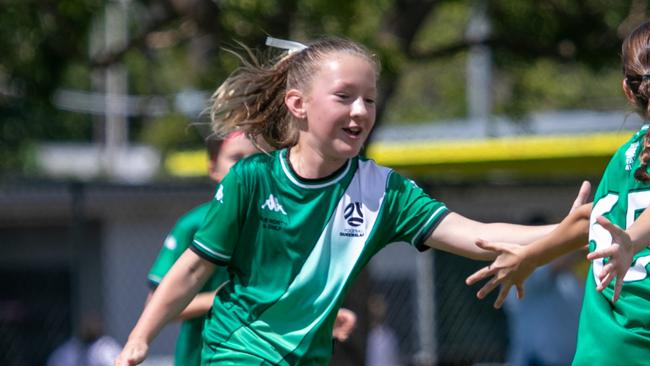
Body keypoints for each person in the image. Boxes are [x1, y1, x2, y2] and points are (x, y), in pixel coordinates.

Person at [115, 36, 588, 366]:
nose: (360, 111)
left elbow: (478, 234)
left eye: (370, 100)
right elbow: (193, 268)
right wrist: (139, 339)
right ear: (298, 104)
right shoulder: (252, 179)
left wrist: (579, 227)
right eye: (344, 97)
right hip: (238, 355)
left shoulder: (384, 191)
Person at [466, 19, 650, 365]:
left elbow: (587, 219)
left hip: (602, 353)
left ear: (628, 89)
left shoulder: (622, 158)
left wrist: (532, 256)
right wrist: (631, 239)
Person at [146, 131, 357, 365]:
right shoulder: (193, 224)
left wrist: (323, 314)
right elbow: (157, 302)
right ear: (212, 168)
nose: (248, 166)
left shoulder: (280, 223)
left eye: (257, 157)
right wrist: (224, 298)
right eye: (236, 158)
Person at [47, 313, 121, 366]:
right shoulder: (68, 350)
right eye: (86, 324)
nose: (89, 327)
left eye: (94, 323)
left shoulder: (107, 348)